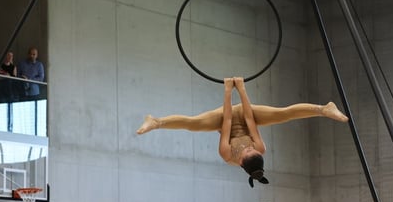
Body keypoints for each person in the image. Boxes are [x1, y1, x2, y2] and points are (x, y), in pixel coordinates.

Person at [137, 77, 348, 186]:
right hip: (250, 116)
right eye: (252, 149)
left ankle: (157, 122)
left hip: (224, 118)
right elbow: (248, 118)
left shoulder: (227, 155)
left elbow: (227, 120)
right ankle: (323, 109)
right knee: (284, 114)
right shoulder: (259, 148)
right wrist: (242, 89)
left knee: (193, 124)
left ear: (241, 161)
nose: (248, 148)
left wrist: (228, 91)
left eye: (247, 151)